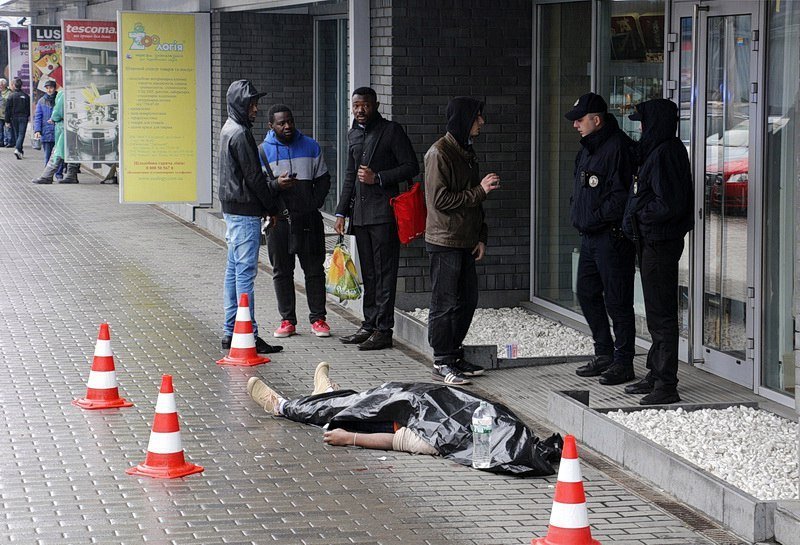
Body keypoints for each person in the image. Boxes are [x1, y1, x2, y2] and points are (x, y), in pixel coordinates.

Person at [247, 362, 561, 475]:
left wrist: (351, 439)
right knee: (373, 397)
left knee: (346, 415)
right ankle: (327, 393)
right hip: (405, 399)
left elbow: (397, 441)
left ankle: (282, 406)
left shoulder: (444, 443)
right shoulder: (503, 424)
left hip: (387, 419)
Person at [334, 87, 419, 351]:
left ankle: (384, 330)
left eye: (365, 105)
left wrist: (378, 177)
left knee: (385, 274)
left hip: (383, 214)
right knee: (368, 274)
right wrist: (340, 212)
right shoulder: (353, 134)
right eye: (356, 105)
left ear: (376, 105)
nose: (360, 110)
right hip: (360, 216)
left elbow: (411, 166)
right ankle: (369, 324)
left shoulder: (391, 131)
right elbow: (350, 175)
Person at [423, 97, 499, 385]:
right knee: (444, 301)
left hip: (465, 239)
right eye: (478, 117)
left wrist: (481, 236)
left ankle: (453, 354)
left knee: (467, 299)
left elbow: (473, 203)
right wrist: (480, 190)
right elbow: (440, 200)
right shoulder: (439, 153)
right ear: (465, 119)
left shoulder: (466, 150)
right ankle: (442, 360)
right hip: (445, 240)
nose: (482, 122)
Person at [622, 99, 693, 405]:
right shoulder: (659, 150)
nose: (640, 128)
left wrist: (640, 215)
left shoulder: (667, 152)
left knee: (662, 314)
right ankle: (655, 373)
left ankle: (666, 383)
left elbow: (670, 204)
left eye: (643, 123)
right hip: (652, 240)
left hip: (660, 242)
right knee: (654, 312)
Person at [565, 92, 637, 386]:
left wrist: (594, 216)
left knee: (618, 301)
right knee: (586, 292)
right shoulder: (588, 149)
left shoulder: (618, 147)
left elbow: (620, 197)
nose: (575, 126)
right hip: (590, 237)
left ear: (597, 120)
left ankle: (623, 362)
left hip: (611, 237)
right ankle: (604, 352)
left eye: (579, 120)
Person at [218, 79, 288, 355]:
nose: (256, 109)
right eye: (252, 104)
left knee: (233, 271)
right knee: (245, 274)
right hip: (245, 211)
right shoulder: (241, 134)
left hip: (232, 208)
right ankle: (248, 334)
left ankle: (230, 330)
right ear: (240, 105)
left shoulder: (228, 128)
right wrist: (272, 207)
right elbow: (254, 178)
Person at [258, 104, 332, 338]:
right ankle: (287, 320)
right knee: (282, 271)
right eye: (281, 123)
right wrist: (275, 185)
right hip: (278, 221)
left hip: (308, 219)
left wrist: (314, 203)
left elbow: (323, 180)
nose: (287, 126)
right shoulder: (262, 152)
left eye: (290, 121)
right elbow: (258, 189)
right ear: (271, 126)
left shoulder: (311, 146)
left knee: (314, 270)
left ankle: (319, 319)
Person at [31, 89, 80, 185]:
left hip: (64, 127)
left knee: (57, 152)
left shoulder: (64, 92)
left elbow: (58, 111)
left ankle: (47, 176)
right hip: (76, 126)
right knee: (73, 151)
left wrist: (53, 118)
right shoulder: (78, 91)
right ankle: (71, 175)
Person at [33, 80, 59, 168]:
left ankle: (59, 174)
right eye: (47, 88)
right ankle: (47, 173)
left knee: (59, 154)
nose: (49, 90)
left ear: (55, 88)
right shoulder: (41, 101)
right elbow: (38, 117)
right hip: (46, 131)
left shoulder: (59, 99)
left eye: (51, 88)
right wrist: (37, 130)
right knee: (47, 154)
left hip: (58, 131)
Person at [5, 78, 30, 159]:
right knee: (21, 134)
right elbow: (28, 108)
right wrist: (27, 116)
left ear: (13, 85)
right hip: (23, 117)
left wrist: (7, 120)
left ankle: (18, 150)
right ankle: (18, 150)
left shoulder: (11, 96)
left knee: (17, 134)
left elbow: (7, 109)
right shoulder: (26, 96)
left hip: (14, 117)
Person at [0, 79, 10, 148]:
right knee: (0, 129)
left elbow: (8, 102)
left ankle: (7, 142)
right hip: (0, 114)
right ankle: (1, 142)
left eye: (1, 84)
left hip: (6, 114)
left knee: (7, 130)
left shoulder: (9, 92)